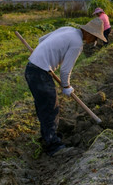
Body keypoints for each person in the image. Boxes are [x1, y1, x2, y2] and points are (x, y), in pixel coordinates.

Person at [24, 18, 106, 156]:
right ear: (89, 33)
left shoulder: (67, 29)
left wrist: (45, 56)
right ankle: (53, 146)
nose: (93, 42)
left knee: (44, 106)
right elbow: (65, 70)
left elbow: (41, 40)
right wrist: (66, 86)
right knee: (51, 107)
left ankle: (47, 136)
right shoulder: (77, 44)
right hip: (39, 72)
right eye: (95, 38)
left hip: (32, 68)